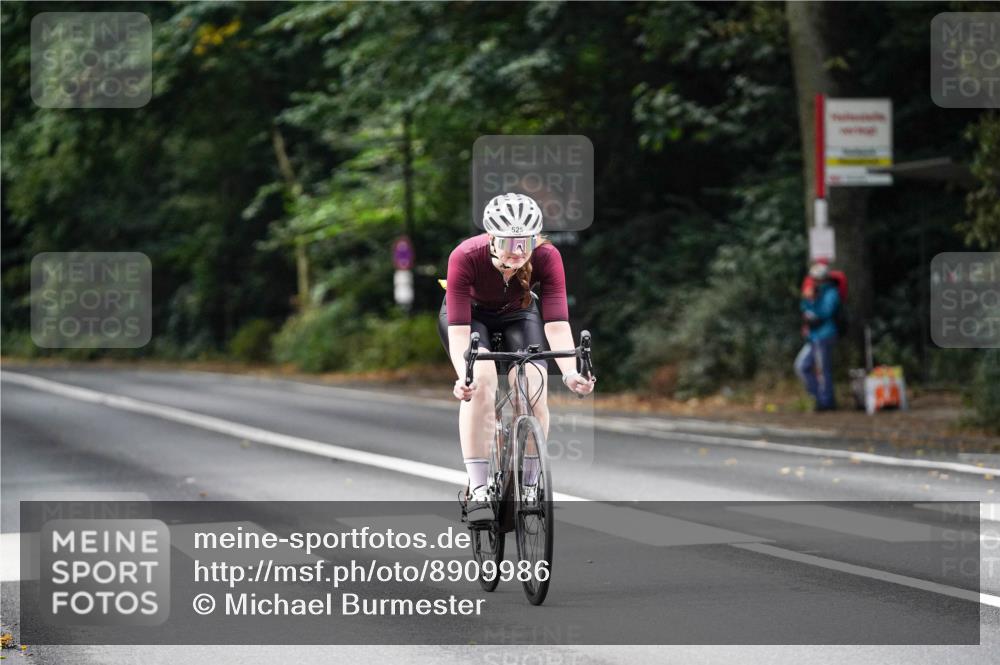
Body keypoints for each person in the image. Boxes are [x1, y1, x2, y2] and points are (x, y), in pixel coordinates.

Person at [438, 192, 596, 523]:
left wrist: (569, 373)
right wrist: (463, 377)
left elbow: (556, 324)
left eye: (526, 241)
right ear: (492, 237)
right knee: (481, 383)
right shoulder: (465, 256)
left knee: (534, 385)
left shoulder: (547, 256)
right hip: (471, 317)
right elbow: (459, 334)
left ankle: (528, 484)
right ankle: (479, 489)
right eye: (510, 242)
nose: (519, 251)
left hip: (518, 315)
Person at [795, 260, 840, 411]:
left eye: (816, 279)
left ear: (823, 279)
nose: (814, 281)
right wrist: (809, 299)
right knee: (802, 366)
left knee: (822, 370)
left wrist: (814, 304)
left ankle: (826, 402)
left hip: (825, 334)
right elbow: (804, 309)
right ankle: (817, 397)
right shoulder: (813, 291)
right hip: (813, 336)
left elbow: (826, 312)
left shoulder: (831, 292)